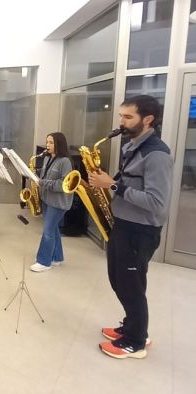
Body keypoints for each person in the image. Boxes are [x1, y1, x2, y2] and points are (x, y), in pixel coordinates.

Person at [88, 95, 172, 359]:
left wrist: (112, 186)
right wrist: (108, 181)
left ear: (147, 120)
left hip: (140, 230)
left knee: (131, 285)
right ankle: (132, 326)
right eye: (120, 116)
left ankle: (135, 341)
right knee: (119, 280)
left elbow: (157, 202)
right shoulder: (132, 146)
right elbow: (128, 183)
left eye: (128, 117)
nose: (121, 122)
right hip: (124, 225)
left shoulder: (156, 154)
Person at [29, 132, 73, 273]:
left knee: (48, 231)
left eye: (51, 142)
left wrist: (42, 182)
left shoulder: (65, 162)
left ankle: (44, 261)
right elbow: (45, 175)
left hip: (58, 203)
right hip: (47, 199)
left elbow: (63, 184)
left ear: (59, 144)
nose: (47, 145)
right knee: (53, 229)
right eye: (47, 142)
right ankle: (57, 257)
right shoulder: (48, 158)